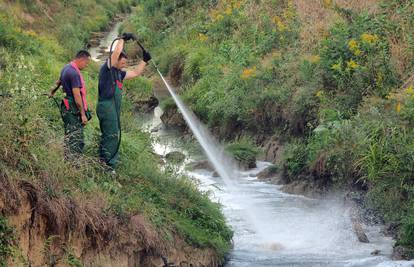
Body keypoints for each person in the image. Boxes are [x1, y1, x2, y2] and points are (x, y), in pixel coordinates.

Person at [97, 33, 151, 169]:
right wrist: (122, 39)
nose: (125, 64)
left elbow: (135, 73)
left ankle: (103, 160)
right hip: (107, 107)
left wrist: (144, 60)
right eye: (123, 61)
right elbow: (115, 53)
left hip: (113, 109)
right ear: (116, 60)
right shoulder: (107, 69)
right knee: (112, 135)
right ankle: (108, 166)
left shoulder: (119, 74)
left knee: (111, 135)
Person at [50, 50, 91, 158]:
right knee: (75, 136)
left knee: (69, 133)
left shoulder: (66, 67)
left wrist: (52, 91)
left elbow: (59, 82)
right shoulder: (74, 73)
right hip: (72, 106)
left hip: (66, 105)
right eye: (86, 63)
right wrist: (82, 114)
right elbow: (77, 96)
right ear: (81, 59)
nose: (86, 66)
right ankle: (73, 162)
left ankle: (68, 158)